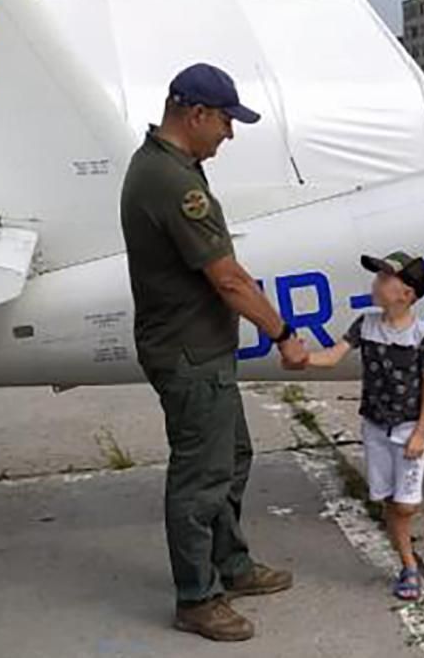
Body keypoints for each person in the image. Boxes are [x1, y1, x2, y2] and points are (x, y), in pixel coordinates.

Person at [120, 63, 309, 642]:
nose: (229, 133)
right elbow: (226, 279)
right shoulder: (175, 183)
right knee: (201, 477)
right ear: (196, 114)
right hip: (188, 352)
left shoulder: (168, 167)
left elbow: (222, 269)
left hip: (198, 347)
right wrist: (282, 334)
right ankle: (197, 597)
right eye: (226, 120)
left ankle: (231, 565)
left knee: (232, 457)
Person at [297, 252, 424, 602]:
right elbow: (333, 356)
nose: (376, 283)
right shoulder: (366, 324)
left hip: (408, 428)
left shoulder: (423, 335)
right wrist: (303, 359)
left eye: (385, 278)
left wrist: (422, 430)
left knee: (405, 505)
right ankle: (408, 564)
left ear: (406, 294)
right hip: (375, 426)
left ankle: (404, 552)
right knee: (388, 498)